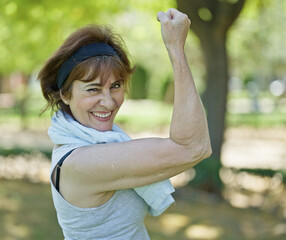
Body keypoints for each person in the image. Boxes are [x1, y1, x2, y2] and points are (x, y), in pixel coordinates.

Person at [39, 8, 211, 240]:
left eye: (116, 86)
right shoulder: (80, 163)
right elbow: (193, 147)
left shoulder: (95, 143)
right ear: (65, 95)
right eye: (93, 89)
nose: (109, 102)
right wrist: (176, 49)